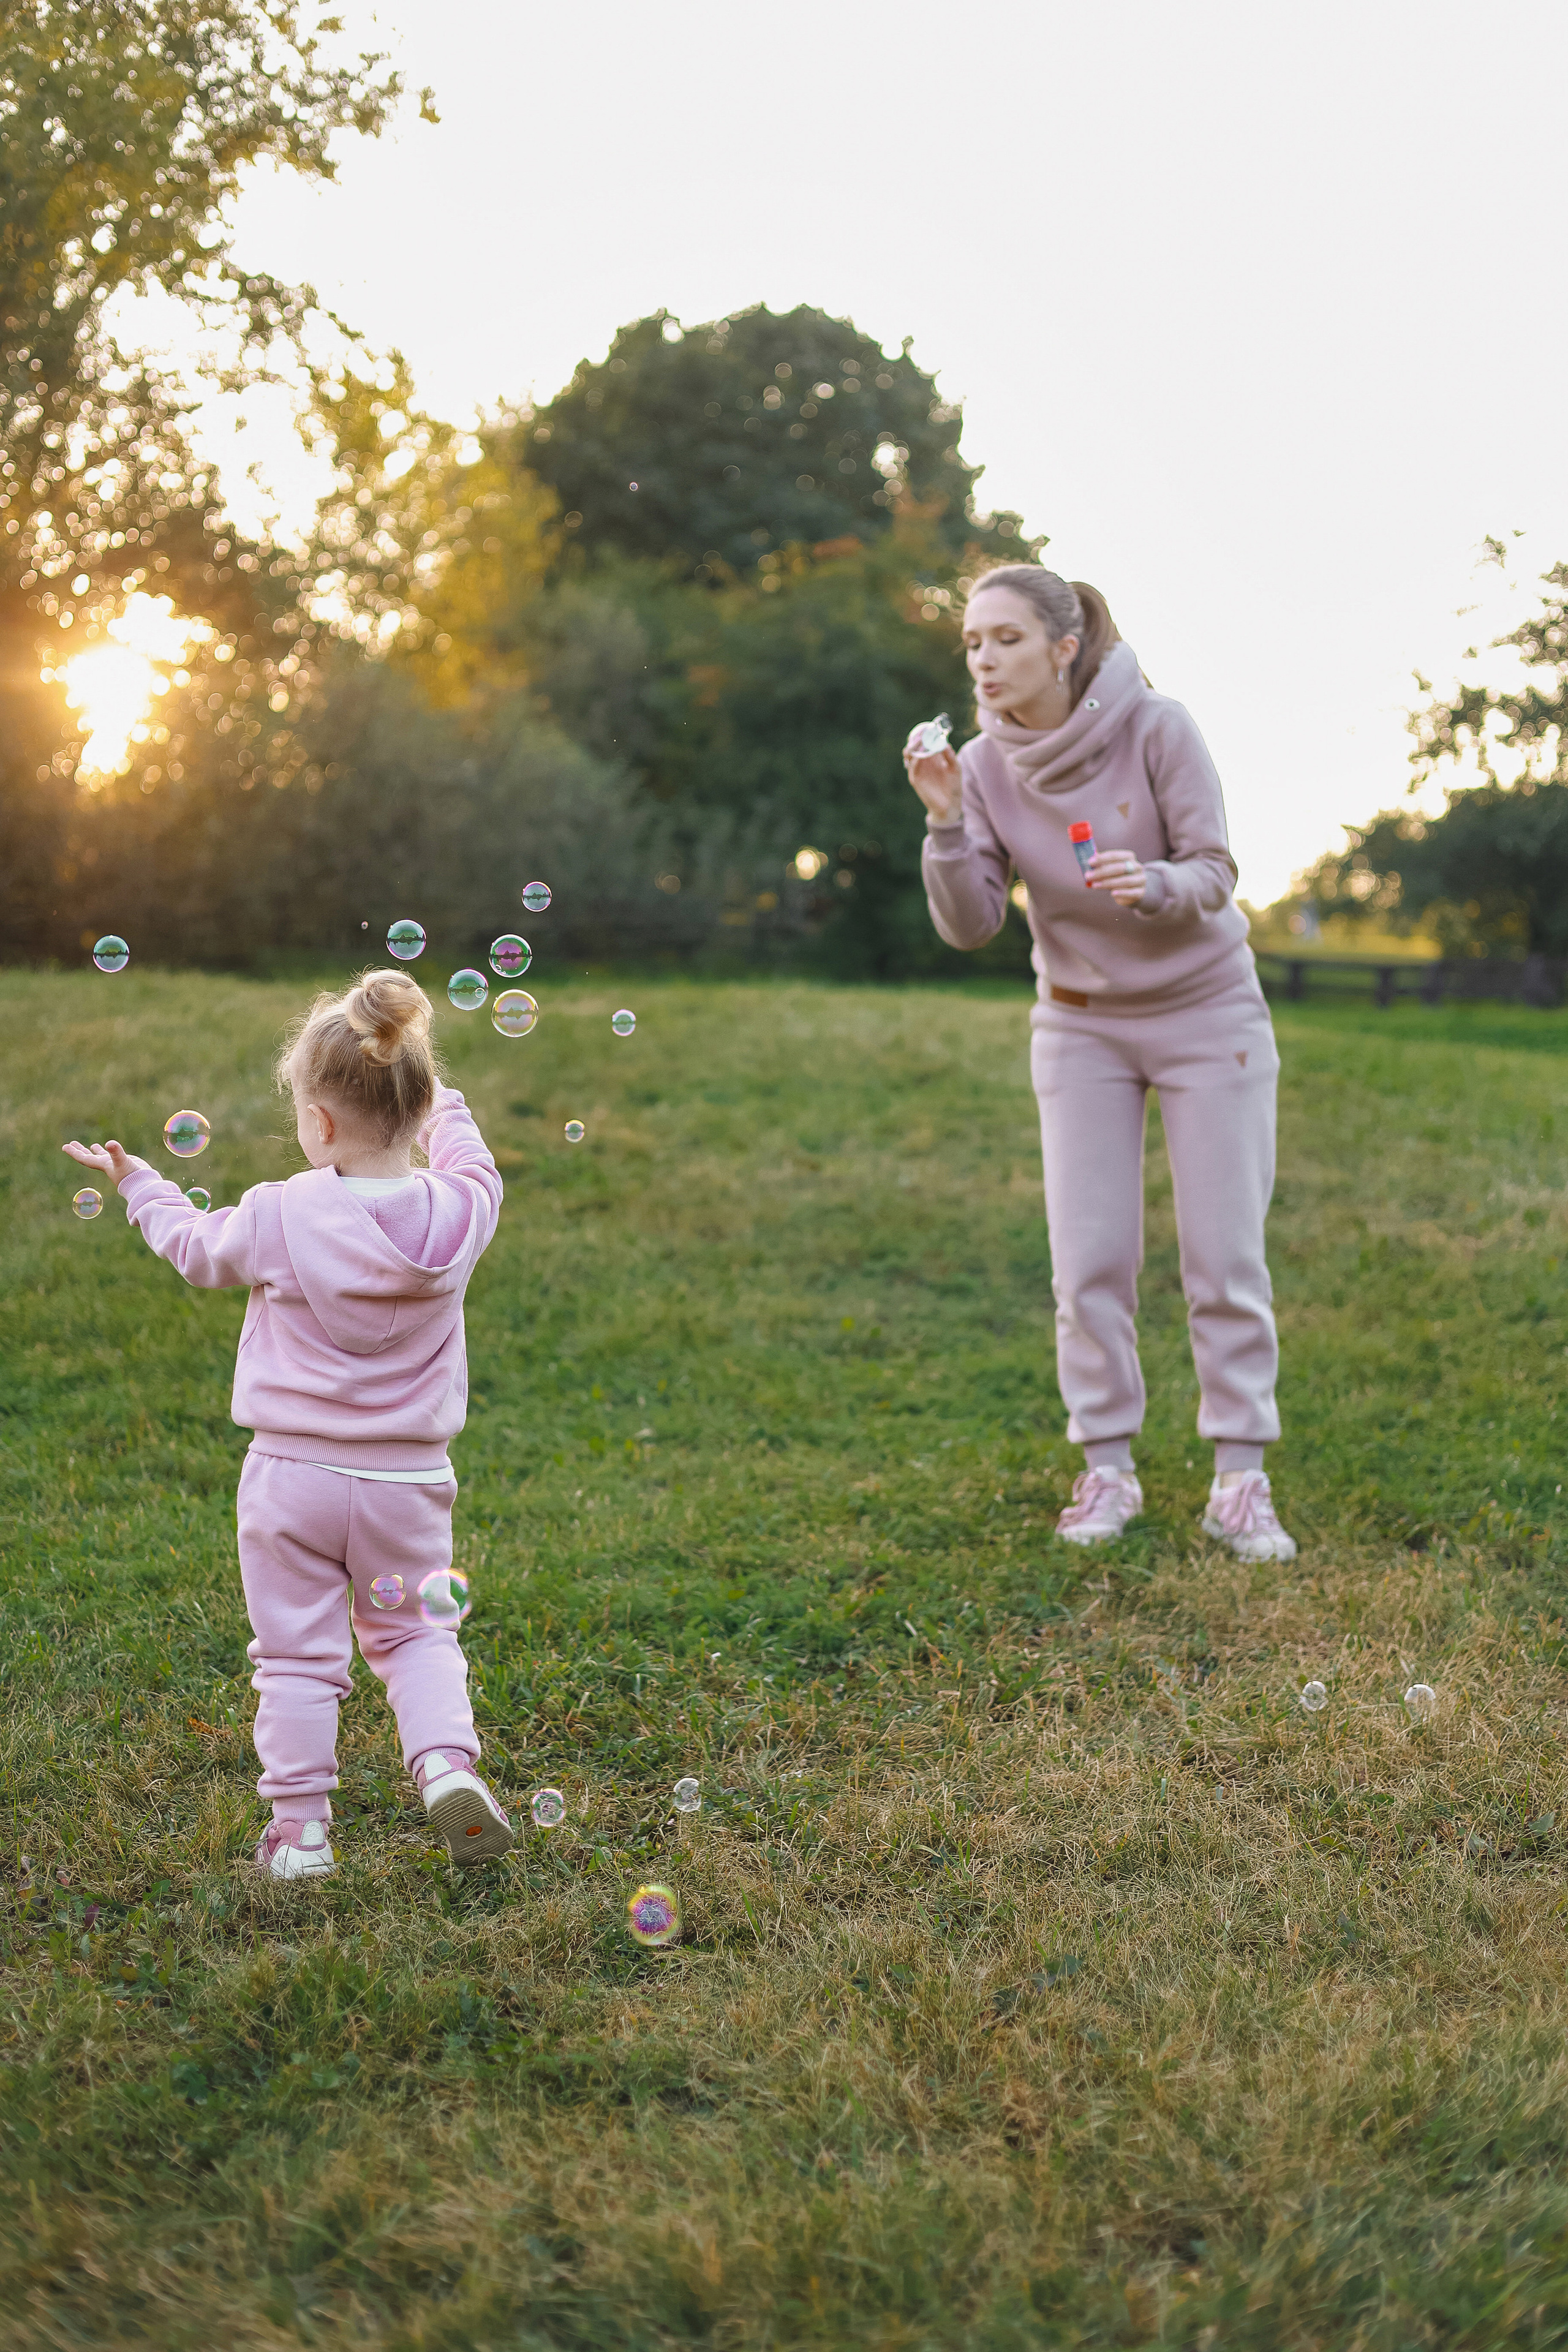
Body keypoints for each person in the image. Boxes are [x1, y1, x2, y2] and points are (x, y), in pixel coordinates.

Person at [63, 969, 514, 1879]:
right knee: (418, 1634)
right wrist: (441, 1103)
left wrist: (141, 1183)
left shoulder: (279, 1211)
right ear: (421, 1106)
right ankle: (443, 1768)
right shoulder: (464, 1211)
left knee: (297, 1657)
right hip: (407, 1482)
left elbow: (194, 1249)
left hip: (291, 1481)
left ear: (317, 1123)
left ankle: (302, 1835)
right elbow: (474, 1161)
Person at [906, 565, 1295, 1562]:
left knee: (1223, 1255)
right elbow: (970, 926)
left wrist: (1156, 882)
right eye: (973, 644)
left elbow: (1215, 871)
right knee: (1088, 1264)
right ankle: (1108, 1468)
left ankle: (1240, 1480)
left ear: (1064, 647)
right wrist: (947, 821)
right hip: (1079, 1025)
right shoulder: (985, 766)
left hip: (1209, 1015)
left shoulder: (1158, 727)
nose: (984, 662)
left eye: (1006, 640)